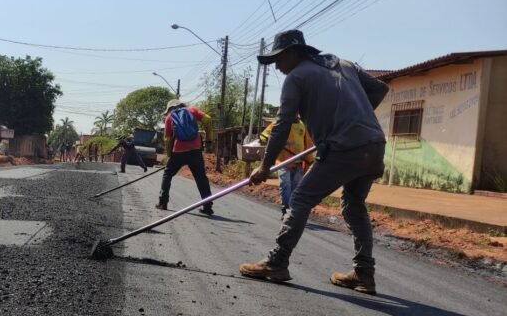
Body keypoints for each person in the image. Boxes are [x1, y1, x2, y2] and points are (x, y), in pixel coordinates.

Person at [239, 29, 389, 295]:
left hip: (344, 148)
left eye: (278, 59)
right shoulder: (345, 64)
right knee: (354, 206)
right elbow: (379, 89)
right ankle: (364, 275)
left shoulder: (297, 76)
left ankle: (277, 262)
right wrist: (355, 118)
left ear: (292, 53)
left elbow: (282, 125)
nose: (277, 67)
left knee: (300, 199)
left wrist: (265, 166)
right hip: (374, 145)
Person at [156, 98, 214, 214]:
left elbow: (167, 139)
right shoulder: (192, 110)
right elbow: (208, 119)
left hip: (178, 151)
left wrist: (170, 155)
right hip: (195, 150)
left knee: (167, 175)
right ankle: (207, 206)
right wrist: (209, 140)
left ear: (170, 109)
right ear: (181, 105)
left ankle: (163, 202)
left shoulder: (169, 117)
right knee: (201, 178)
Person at [258, 118, 315, 218]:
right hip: (283, 162)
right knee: (285, 186)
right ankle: (286, 210)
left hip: (298, 163)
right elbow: (265, 136)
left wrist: (310, 160)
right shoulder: (280, 123)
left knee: (295, 189)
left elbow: (308, 145)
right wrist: (266, 139)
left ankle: (292, 211)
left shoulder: (302, 126)